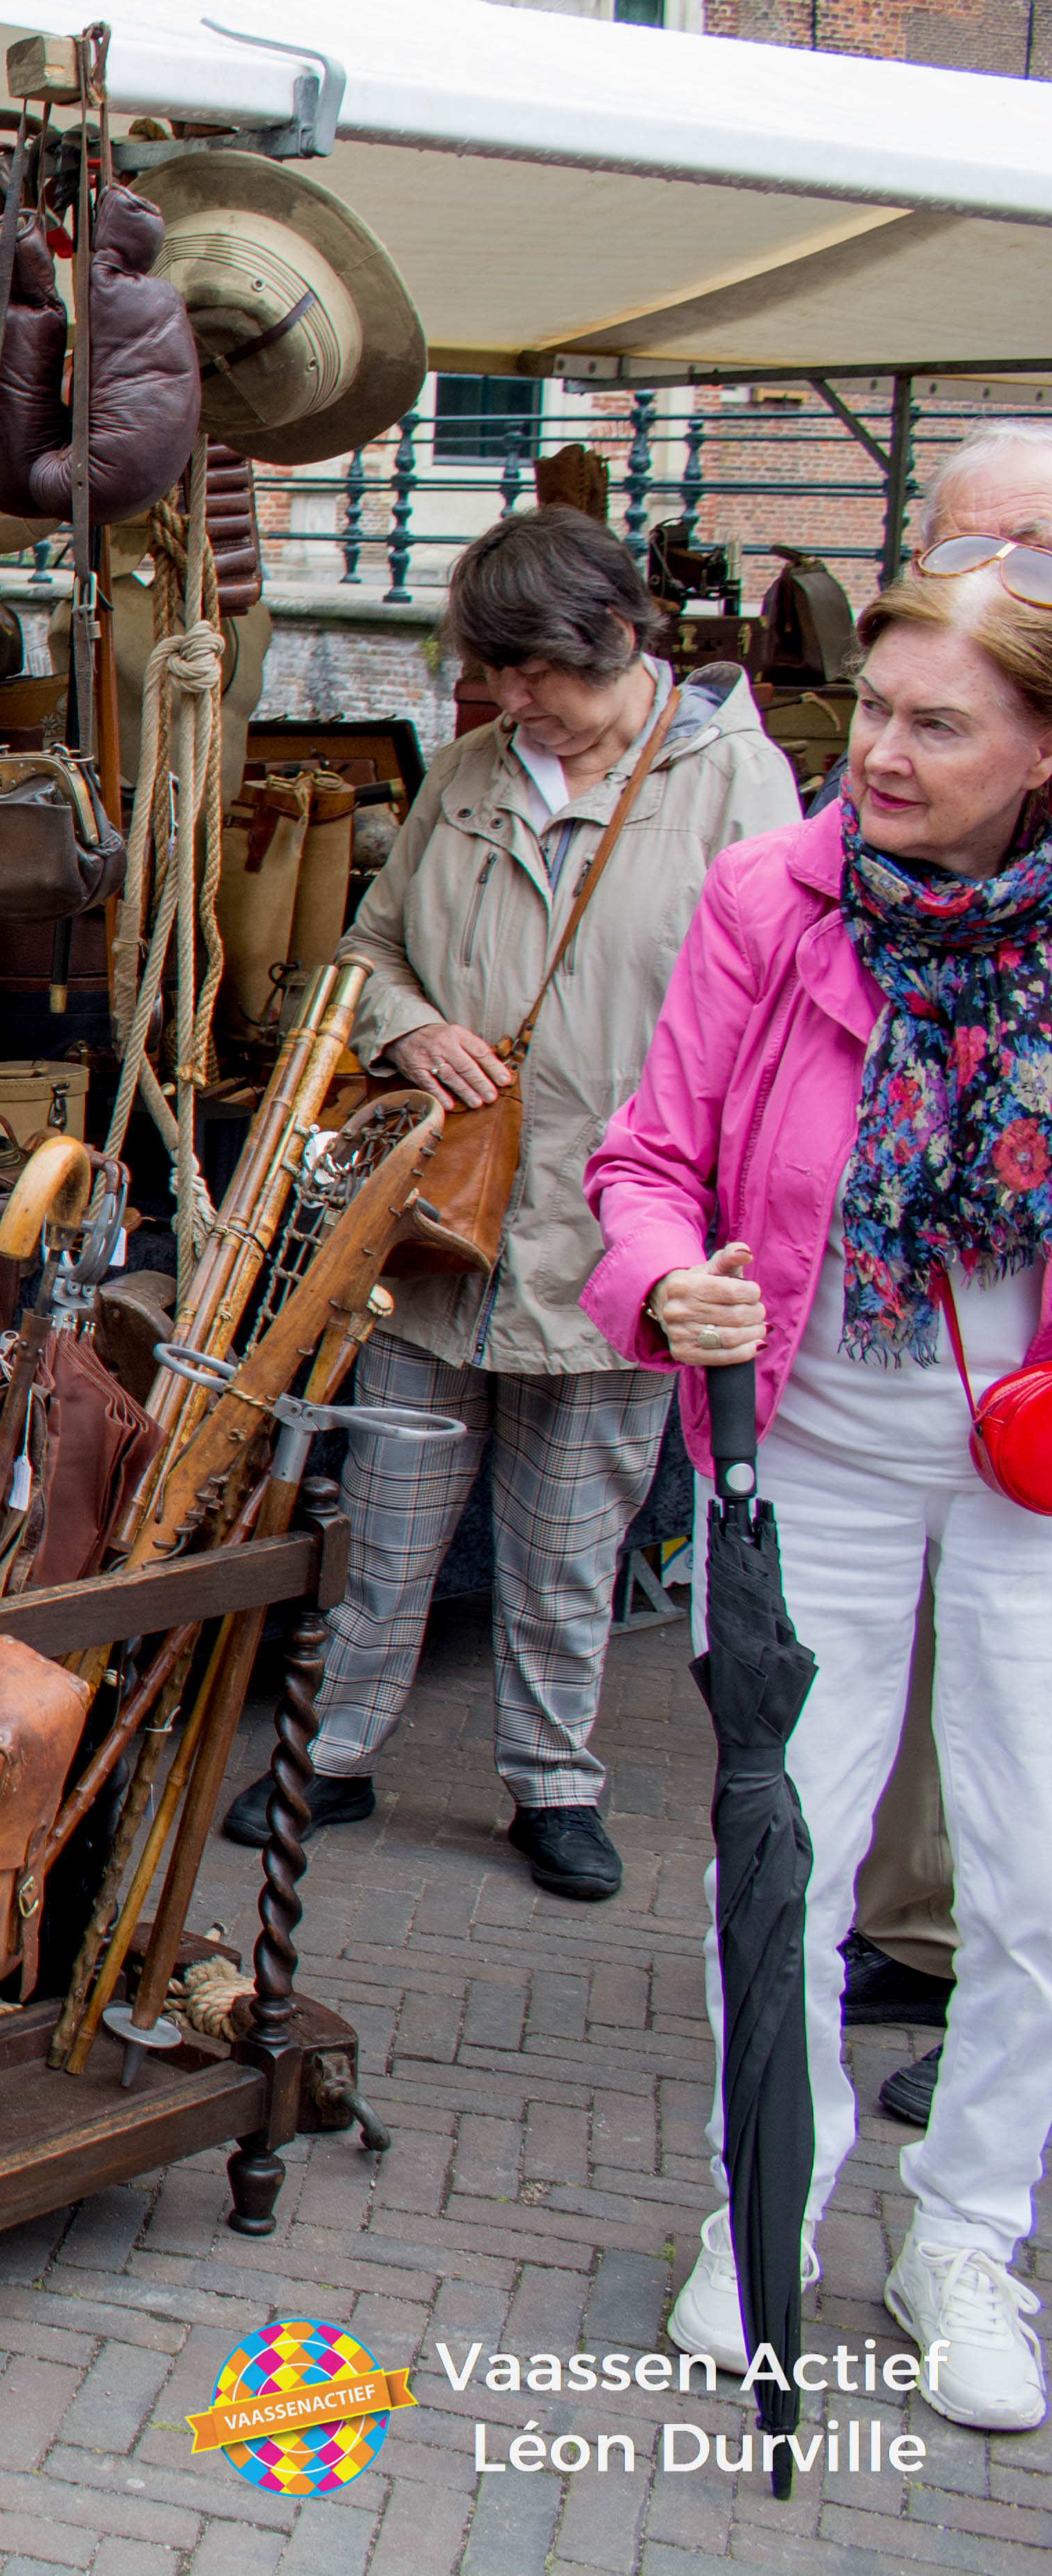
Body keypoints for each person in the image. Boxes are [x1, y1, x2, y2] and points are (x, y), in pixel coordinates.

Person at [588, 539, 1052, 2432]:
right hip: (812, 1452)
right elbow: (646, 1157)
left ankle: (971, 2235)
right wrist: (656, 1277)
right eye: (871, 705)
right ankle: (761, 2208)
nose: (880, 749)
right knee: (786, 1862)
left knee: (1036, 1880)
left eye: (937, 724)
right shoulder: (766, 902)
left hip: (1033, 1467)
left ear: (1040, 748)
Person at [214, 508, 796, 1897]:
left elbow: (781, 1013)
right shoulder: (471, 769)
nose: (515, 699)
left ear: (619, 636)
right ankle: (331, 1752)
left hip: (621, 1241)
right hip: (442, 1225)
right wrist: (408, 1027)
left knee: (569, 1536)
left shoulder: (733, 786)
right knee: (391, 1513)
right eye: (497, 672)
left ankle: (554, 1783)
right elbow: (366, 947)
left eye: (543, 673)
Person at [847, 426, 1052, 2137]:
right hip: (890, 1403)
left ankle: (987, 2191)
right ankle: (929, 1945)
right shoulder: (806, 895)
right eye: (953, 540)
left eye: (1016, 549)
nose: (975, 574)